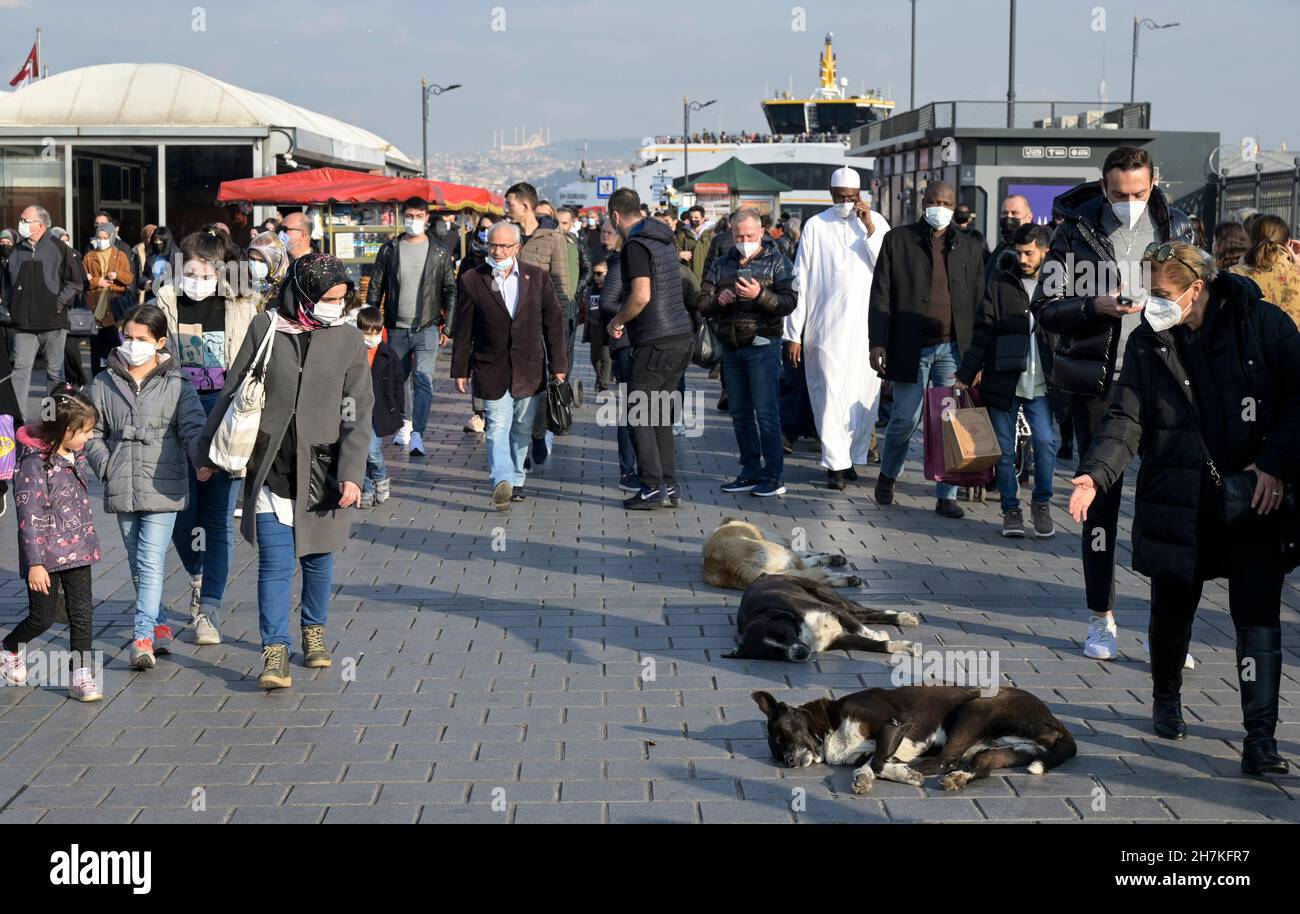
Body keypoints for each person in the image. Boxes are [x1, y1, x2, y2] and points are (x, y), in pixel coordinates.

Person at [1068, 242, 1299, 775]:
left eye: (1163, 293)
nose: (1153, 302)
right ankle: (1166, 697)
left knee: (1258, 618)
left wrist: (1276, 465)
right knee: (1173, 608)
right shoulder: (1152, 341)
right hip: (1178, 493)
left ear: (1198, 287)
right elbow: (1126, 418)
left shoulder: (1262, 325)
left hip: (1254, 497)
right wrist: (1095, 474)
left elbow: (1298, 399)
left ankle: (1260, 738)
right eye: (1150, 291)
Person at [1033, 145, 1196, 662]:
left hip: (1167, 381)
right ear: (1104, 187)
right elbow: (1046, 308)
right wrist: (1094, 305)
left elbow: (1203, 294)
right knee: (1099, 500)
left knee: (1166, 507)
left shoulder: (1179, 227)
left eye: (1140, 192)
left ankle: (1164, 625)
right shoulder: (1074, 230)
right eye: (1121, 193)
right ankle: (1100, 617)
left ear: (1154, 183)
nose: (1131, 201)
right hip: (1102, 385)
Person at [197, 254, 373, 690]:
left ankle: (314, 632)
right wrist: (206, 451)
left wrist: (352, 473)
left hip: (324, 470)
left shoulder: (348, 339)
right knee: (274, 564)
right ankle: (274, 651)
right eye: (328, 298)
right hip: (270, 464)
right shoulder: (266, 327)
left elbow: (358, 412)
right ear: (304, 293)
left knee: (317, 559)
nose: (336, 305)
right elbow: (234, 389)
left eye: (341, 298)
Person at [150, 229, 279, 645]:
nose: (198, 279)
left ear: (223, 271)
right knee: (181, 514)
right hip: (176, 415)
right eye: (190, 271)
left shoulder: (243, 305)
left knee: (218, 519)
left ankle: (209, 610)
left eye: (207, 272)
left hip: (225, 415)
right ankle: (198, 574)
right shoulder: (165, 303)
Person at [83, 306, 207, 670]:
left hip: (164, 484)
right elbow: (92, 431)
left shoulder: (177, 385)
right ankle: (160, 624)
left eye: (142, 339)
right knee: (138, 562)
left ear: (161, 342)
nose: (133, 345)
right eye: (129, 338)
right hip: (121, 482)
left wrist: (205, 461)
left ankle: (141, 638)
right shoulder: (104, 383)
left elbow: (194, 429)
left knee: (151, 561)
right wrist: (105, 465)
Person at [870, 179, 985, 517]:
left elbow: (979, 302)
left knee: (950, 421)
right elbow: (880, 295)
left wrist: (978, 356)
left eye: (947, 203)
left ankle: (946, 493)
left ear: (955, 208)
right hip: (910, 346)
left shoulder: (970, 248)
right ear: (923, 201)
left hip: (953, 349)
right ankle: (889, 475)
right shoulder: (898, 240)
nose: (940, 208)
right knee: (904, 418)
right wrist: (877, 341)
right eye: (935, 201)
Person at [787, 168, 893, 491]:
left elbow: (887, 268)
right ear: (831, 195)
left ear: (860, 194)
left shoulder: (877, 224)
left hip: (866, 332)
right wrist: (792, 332)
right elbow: (800, 281)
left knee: (862, 397)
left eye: (852, 197)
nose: (847, 203)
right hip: (825, 329)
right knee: (830, 394)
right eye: (841, 197)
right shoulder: (816, 226)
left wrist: (870, 227)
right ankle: (833, 463)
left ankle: (849, 458)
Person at [450, 222, 567, 510]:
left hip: (529, 367)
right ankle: (501, 479)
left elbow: (553, 324)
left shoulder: (537, 277)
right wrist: (460, 368)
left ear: (517, 247)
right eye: (493, 245)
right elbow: (463, 328)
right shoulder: (471, 279)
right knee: (497, 426)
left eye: (504, 246)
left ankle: (516, 478)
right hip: (490, 367)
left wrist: (559, 365)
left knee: (521, 428)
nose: (498, 251)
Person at [955, 223, 1057, 538]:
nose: (1023, 258)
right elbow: (983, 330)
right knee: (1004, 448)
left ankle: (1041, 503)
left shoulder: (1058, 285)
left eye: (1029, 252)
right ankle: (1010, 509)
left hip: (1043, 382)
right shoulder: (1000, 282)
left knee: (1045, 442)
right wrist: (966, 373)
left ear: (1045, 251)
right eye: (1019, 252)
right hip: (1003, 379)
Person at [0, 388, 102, 700]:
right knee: (42, 618)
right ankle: (9, 649)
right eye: (85, 431)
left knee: (82, 613)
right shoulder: (33, 465)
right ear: (65, 431)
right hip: (44, 558)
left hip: (80, 550)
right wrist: (34, 564)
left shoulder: (76, 453)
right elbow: (29, 518)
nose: (90, 436)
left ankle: (81, 676)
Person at [605, 188, 694, 510]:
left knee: (639, 413)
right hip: (680, 337)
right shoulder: (663, 237)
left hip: (655, 340)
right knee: (659, 416)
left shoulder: (636, 245)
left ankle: (652, 487)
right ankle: (669, 485)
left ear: (615, 215)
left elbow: (640, 295)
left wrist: (617, 321)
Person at [697, 208, 797, 497]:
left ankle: (774, 476)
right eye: (739, 235)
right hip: (731, 346)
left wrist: (760, 296)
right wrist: (718, 300)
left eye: (749, 235)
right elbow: (702, 302)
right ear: (731, 233)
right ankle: (750, 470)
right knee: (740, 414)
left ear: (761, 233)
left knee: (767, 414)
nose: (743, 240)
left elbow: (789, 302)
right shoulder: (721, 263)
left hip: (763, 345)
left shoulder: (778, 261)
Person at [366, 197, 457, 458]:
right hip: (396, 326)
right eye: (409, 215)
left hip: (427, 326)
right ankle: (404, 423)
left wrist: (447, 327)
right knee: (398, 379)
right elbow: (376, 285)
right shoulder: (390, 249)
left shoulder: (439, 251)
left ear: (427, 219)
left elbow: (450, 290)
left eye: (418, 215)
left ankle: (419, 432)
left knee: (423, 378)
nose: (413, 220)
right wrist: (371, 320)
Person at [506, 183, 572, 468]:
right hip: (509, 324)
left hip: (541, 324)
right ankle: (517, 447)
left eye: (509, 203)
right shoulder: (507, 236)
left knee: (542, 384)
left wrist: (562, 327)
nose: (506, 208)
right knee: (512, 385)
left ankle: (537, 433)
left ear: (524, 206)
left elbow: (561, 284)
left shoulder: (552, 239)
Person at [3, 206, 79, 409]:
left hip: (53, 325)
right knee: (19, 372)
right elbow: (7, 284)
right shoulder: (17, 250)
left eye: (25, 220)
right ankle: (18, 424)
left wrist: (57, 304)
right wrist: (13, 306)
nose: (21, 223)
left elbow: (75, 283)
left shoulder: (60, 249)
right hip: (23, 326)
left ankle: (51, 421)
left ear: (40, 225)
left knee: (55, 374)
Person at [597, 229, 639, 490]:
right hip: (626, 343)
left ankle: (649, 469)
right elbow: (607, 303)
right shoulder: (619, 266)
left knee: (649, 409)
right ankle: (628, 470)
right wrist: (633, 310)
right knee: (631, 409)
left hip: (651, 343)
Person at [355, 307, 404, 509]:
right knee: (360, 451)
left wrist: (400, 410)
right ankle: (367, 489)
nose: (371, 336)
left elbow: (398, 383)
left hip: (380, 410)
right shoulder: (354, 352)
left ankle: (381, 478)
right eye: (367, 332)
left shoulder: (388, 354)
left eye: (375, 332)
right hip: (357, 409)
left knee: (372, 451)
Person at [83, 221, 136, 376]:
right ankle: (97, 379)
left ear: (112, 237)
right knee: (97, 349)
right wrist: (96, 281)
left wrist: (117, 275)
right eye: (99, 237)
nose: (101, 240)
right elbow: (82, 280)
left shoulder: (119, 255)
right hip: (95, 309)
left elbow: (129, 279)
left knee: (116, 347)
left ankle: (117, 377)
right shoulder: (89, 256)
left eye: (105, 237)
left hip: (114, 309)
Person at [1229, 214, 1300, 327]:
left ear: (1251, 240)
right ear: (1288, 243)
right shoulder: (1297, 274)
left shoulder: (1234, 275)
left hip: (1247, 344)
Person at [987, 195, 1033, 280]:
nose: (1009, 217)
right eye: (1005, 213)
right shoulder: (1001, 246)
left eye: (1014, 213)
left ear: (1029, 217)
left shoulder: (1032, 250)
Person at [586, 255, 614, 391]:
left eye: (599, 273)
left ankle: (603, 383)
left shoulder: (611, 289)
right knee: (594, 358)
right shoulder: (591, 289)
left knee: (605, 357)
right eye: (594, 273)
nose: (596, 276)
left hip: (606, 326)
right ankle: (600, 377)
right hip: (594, 327)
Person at [676, 205, 714, 285]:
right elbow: (674, 250)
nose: (693, 220)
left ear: (703, 219)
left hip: (706, 276)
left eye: (696, 218)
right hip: (688, 275)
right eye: (691, 217)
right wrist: (679, 254)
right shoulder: (682, 233)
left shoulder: (710, 234)